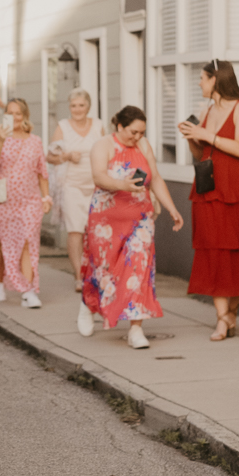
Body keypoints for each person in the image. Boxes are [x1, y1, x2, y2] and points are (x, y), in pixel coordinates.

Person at [78, 106, 183, 349]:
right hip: (106, 221)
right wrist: (122, 184)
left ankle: (136, 329)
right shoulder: (103, 145)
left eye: (141, 132)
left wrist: (172, 208)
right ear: (120, 127)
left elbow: (155, 178)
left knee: (139, 267)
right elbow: (98, 177)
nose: (137, 137)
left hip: (140, 219)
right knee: (102, 269)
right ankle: (88, 304)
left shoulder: (143, 145)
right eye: (133, 132)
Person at [178, 59, 239, 341]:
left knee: (236, 250)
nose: (200, 84)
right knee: (212, 249)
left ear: (215, 79)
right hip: (208, 186)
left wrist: (206, 134)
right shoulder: (207, 110)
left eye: (203, 79)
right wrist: (193, 137)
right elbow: (199, 153)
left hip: (237, 188)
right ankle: (221, 318)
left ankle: (231, 315)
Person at [0, 98, 51, 308]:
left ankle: (28, 291)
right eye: (10, 113)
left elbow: (42, 174)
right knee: (2, 244)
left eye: (18, 113)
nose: (14, 117)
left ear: (25, 116)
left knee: (28, 243)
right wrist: (1, 140)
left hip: (30, 201)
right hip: (3, 201)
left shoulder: (35, 141)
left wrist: (46, 197)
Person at [47, 89, 105, 292]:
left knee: (95, 230)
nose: (77, 109)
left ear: (88, 106)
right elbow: (50, 157)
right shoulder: (63, 126)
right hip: (71, 185)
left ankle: (96, 271)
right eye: (73, 106)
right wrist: (66, 156)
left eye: (81, 105)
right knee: (75, 230)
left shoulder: (98, 126)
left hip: (96, 185)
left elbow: (109, 151)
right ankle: (79, 275)